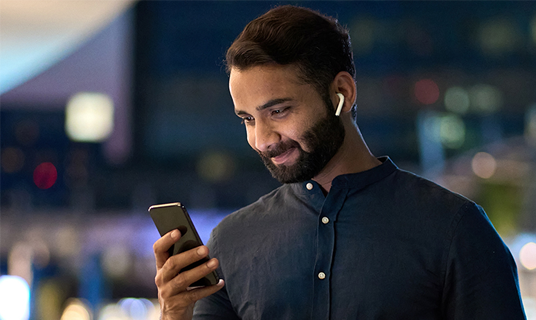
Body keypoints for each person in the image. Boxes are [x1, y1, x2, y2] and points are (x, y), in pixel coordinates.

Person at [152, 5, 526, 320]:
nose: (262, 139)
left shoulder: (455, 231)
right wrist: (173, 315)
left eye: (278, 111)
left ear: (342, 93)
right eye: (247, 119)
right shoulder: (229, 243)